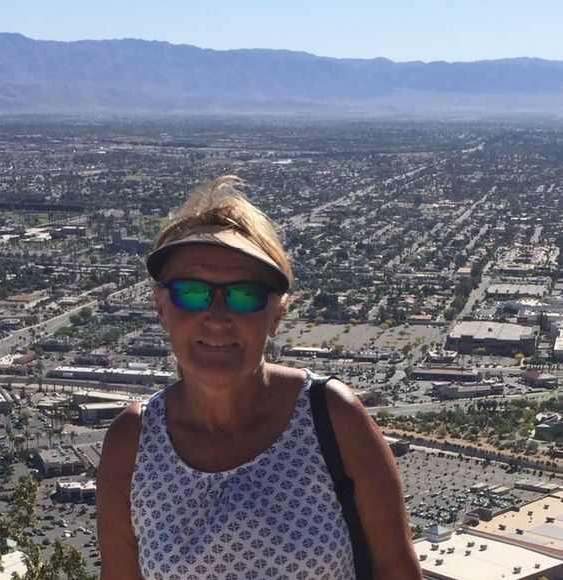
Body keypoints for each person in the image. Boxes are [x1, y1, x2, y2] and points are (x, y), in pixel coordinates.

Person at [97, 175, 422, 580]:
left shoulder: (331, 416)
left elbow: (396, 569)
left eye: (245, 294)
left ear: (276, 315)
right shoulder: (132, 441)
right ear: (161, 308)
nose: (217, 316)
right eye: (192, 292)